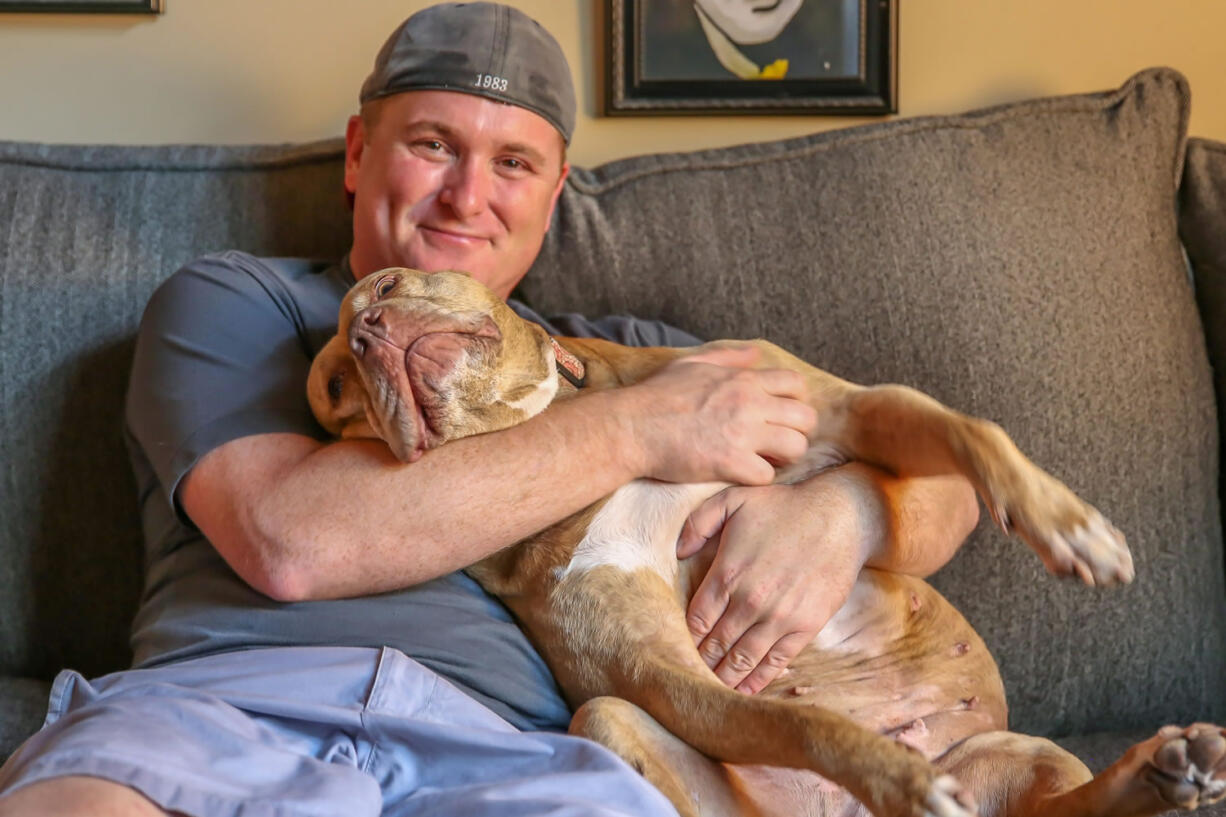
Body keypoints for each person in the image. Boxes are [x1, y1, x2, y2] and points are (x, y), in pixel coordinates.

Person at [0, 3, 978, 815]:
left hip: (510, 751)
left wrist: (840, 514)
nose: (467, 196)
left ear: (553, 195)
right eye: (433, 145)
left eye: (513, 164)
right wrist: (635, 430)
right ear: (355, 154)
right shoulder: (239, 304)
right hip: (224, 709)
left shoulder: (629, 350)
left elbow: (948, 488)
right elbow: (292, 543)